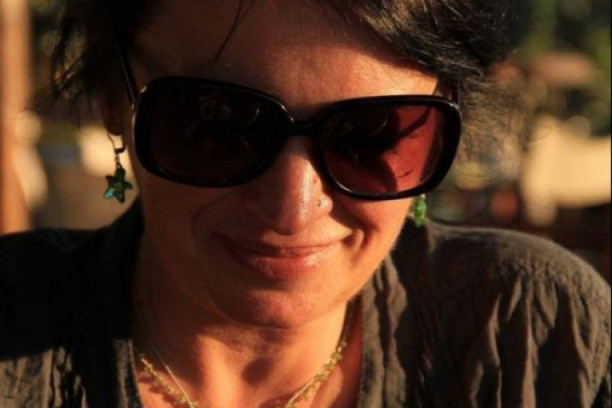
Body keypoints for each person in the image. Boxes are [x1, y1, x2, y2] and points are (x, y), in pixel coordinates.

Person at [1, 0, 610, 407]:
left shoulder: (537, 335)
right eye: (218, 124)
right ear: (116, 99)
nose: (292, 209)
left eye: (372, 135)